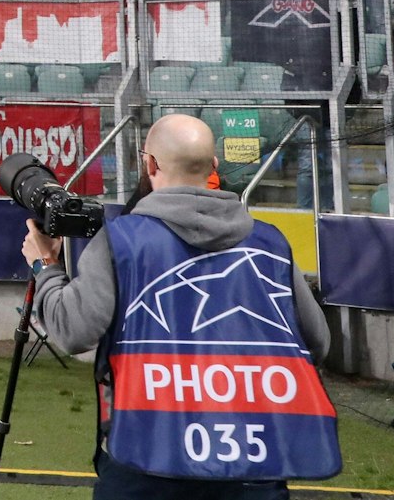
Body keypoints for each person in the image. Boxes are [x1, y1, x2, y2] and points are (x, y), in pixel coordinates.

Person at [24, 113, 337, 498]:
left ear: (150, 164)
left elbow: (72, 332)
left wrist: (47, 267)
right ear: (214, 167)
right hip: (251, 458)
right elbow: (316, 344)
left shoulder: (120, 240)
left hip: (145, 457)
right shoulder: (270, 244)